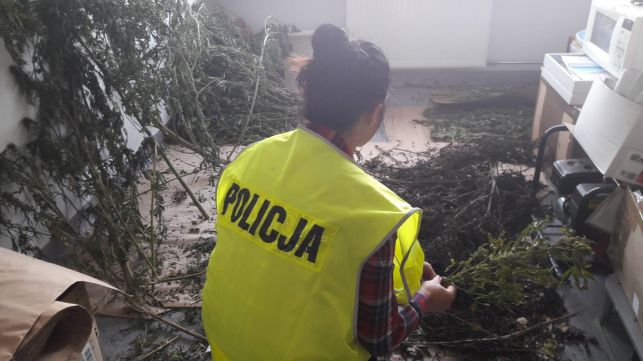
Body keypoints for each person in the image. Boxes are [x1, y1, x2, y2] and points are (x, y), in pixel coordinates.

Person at [201, 23, 456, 360]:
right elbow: (379, 338)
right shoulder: (370, 217)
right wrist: (425, 298)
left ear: (308, 95)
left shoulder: (252, 157)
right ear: (375, 111)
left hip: (225, 343)